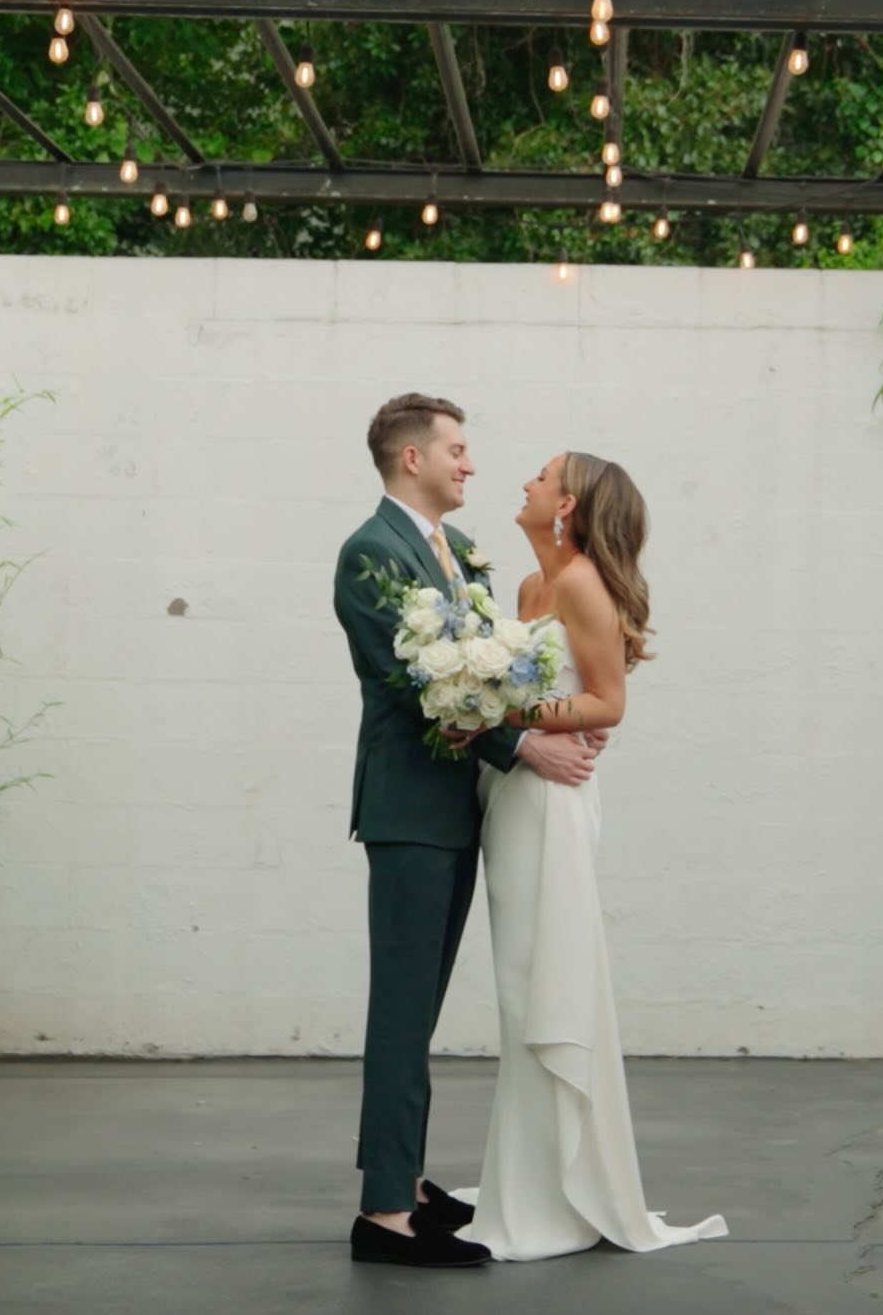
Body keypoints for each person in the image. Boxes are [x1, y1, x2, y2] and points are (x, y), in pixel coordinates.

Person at [333, 394, 598, 1269]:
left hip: (456, 807)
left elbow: (489, 674)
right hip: (410, 810)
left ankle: (405, 1181)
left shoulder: (458, 552)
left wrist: (556, 717)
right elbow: (415, 684)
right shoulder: (370, 552)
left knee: (421, 1008)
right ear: (413, 458)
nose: (470, 465)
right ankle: (383, 1216)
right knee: (402, 1010)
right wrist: (522, 747)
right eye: (456, 450)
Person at [461, 451, 729, 1261]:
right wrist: (512, 716)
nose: (526, 484)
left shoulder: (580, 583)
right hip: (511, 795)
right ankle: (534, 1177)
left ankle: (557, 1197)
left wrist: (501, 711)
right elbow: (562, 696)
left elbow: (608, 700)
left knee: (545, 979)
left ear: (569, 505)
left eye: (541, 477)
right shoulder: (528, 587)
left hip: (552, 800)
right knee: (519, 988)